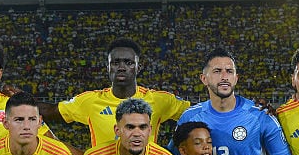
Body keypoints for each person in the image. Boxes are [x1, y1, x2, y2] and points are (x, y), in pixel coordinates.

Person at [42, 37, 189, 148]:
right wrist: (19, 98)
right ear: (108, 67)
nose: (122, 67)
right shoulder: (90, 101)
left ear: (139, 67)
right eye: (116, 62)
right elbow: (50, 110)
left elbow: (199, 112)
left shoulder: (159, 100)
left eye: (129, 62)